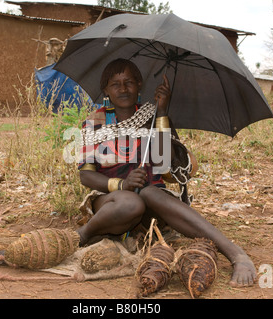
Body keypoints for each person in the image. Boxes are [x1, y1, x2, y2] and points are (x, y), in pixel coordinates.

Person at [76, 58, 257, 287]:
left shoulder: (153, 116)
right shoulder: (93, 124)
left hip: (153, 202)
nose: (123, 89)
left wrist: (161, 112)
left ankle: (236, 254)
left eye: (129, 82)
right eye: (115, 84)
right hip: (113, 202)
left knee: (149, 194)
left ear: (139, 85)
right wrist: (122, 185)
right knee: (131, 202)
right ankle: (84, 234)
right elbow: (86, 176)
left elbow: (163, 164)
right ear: (105, 89)